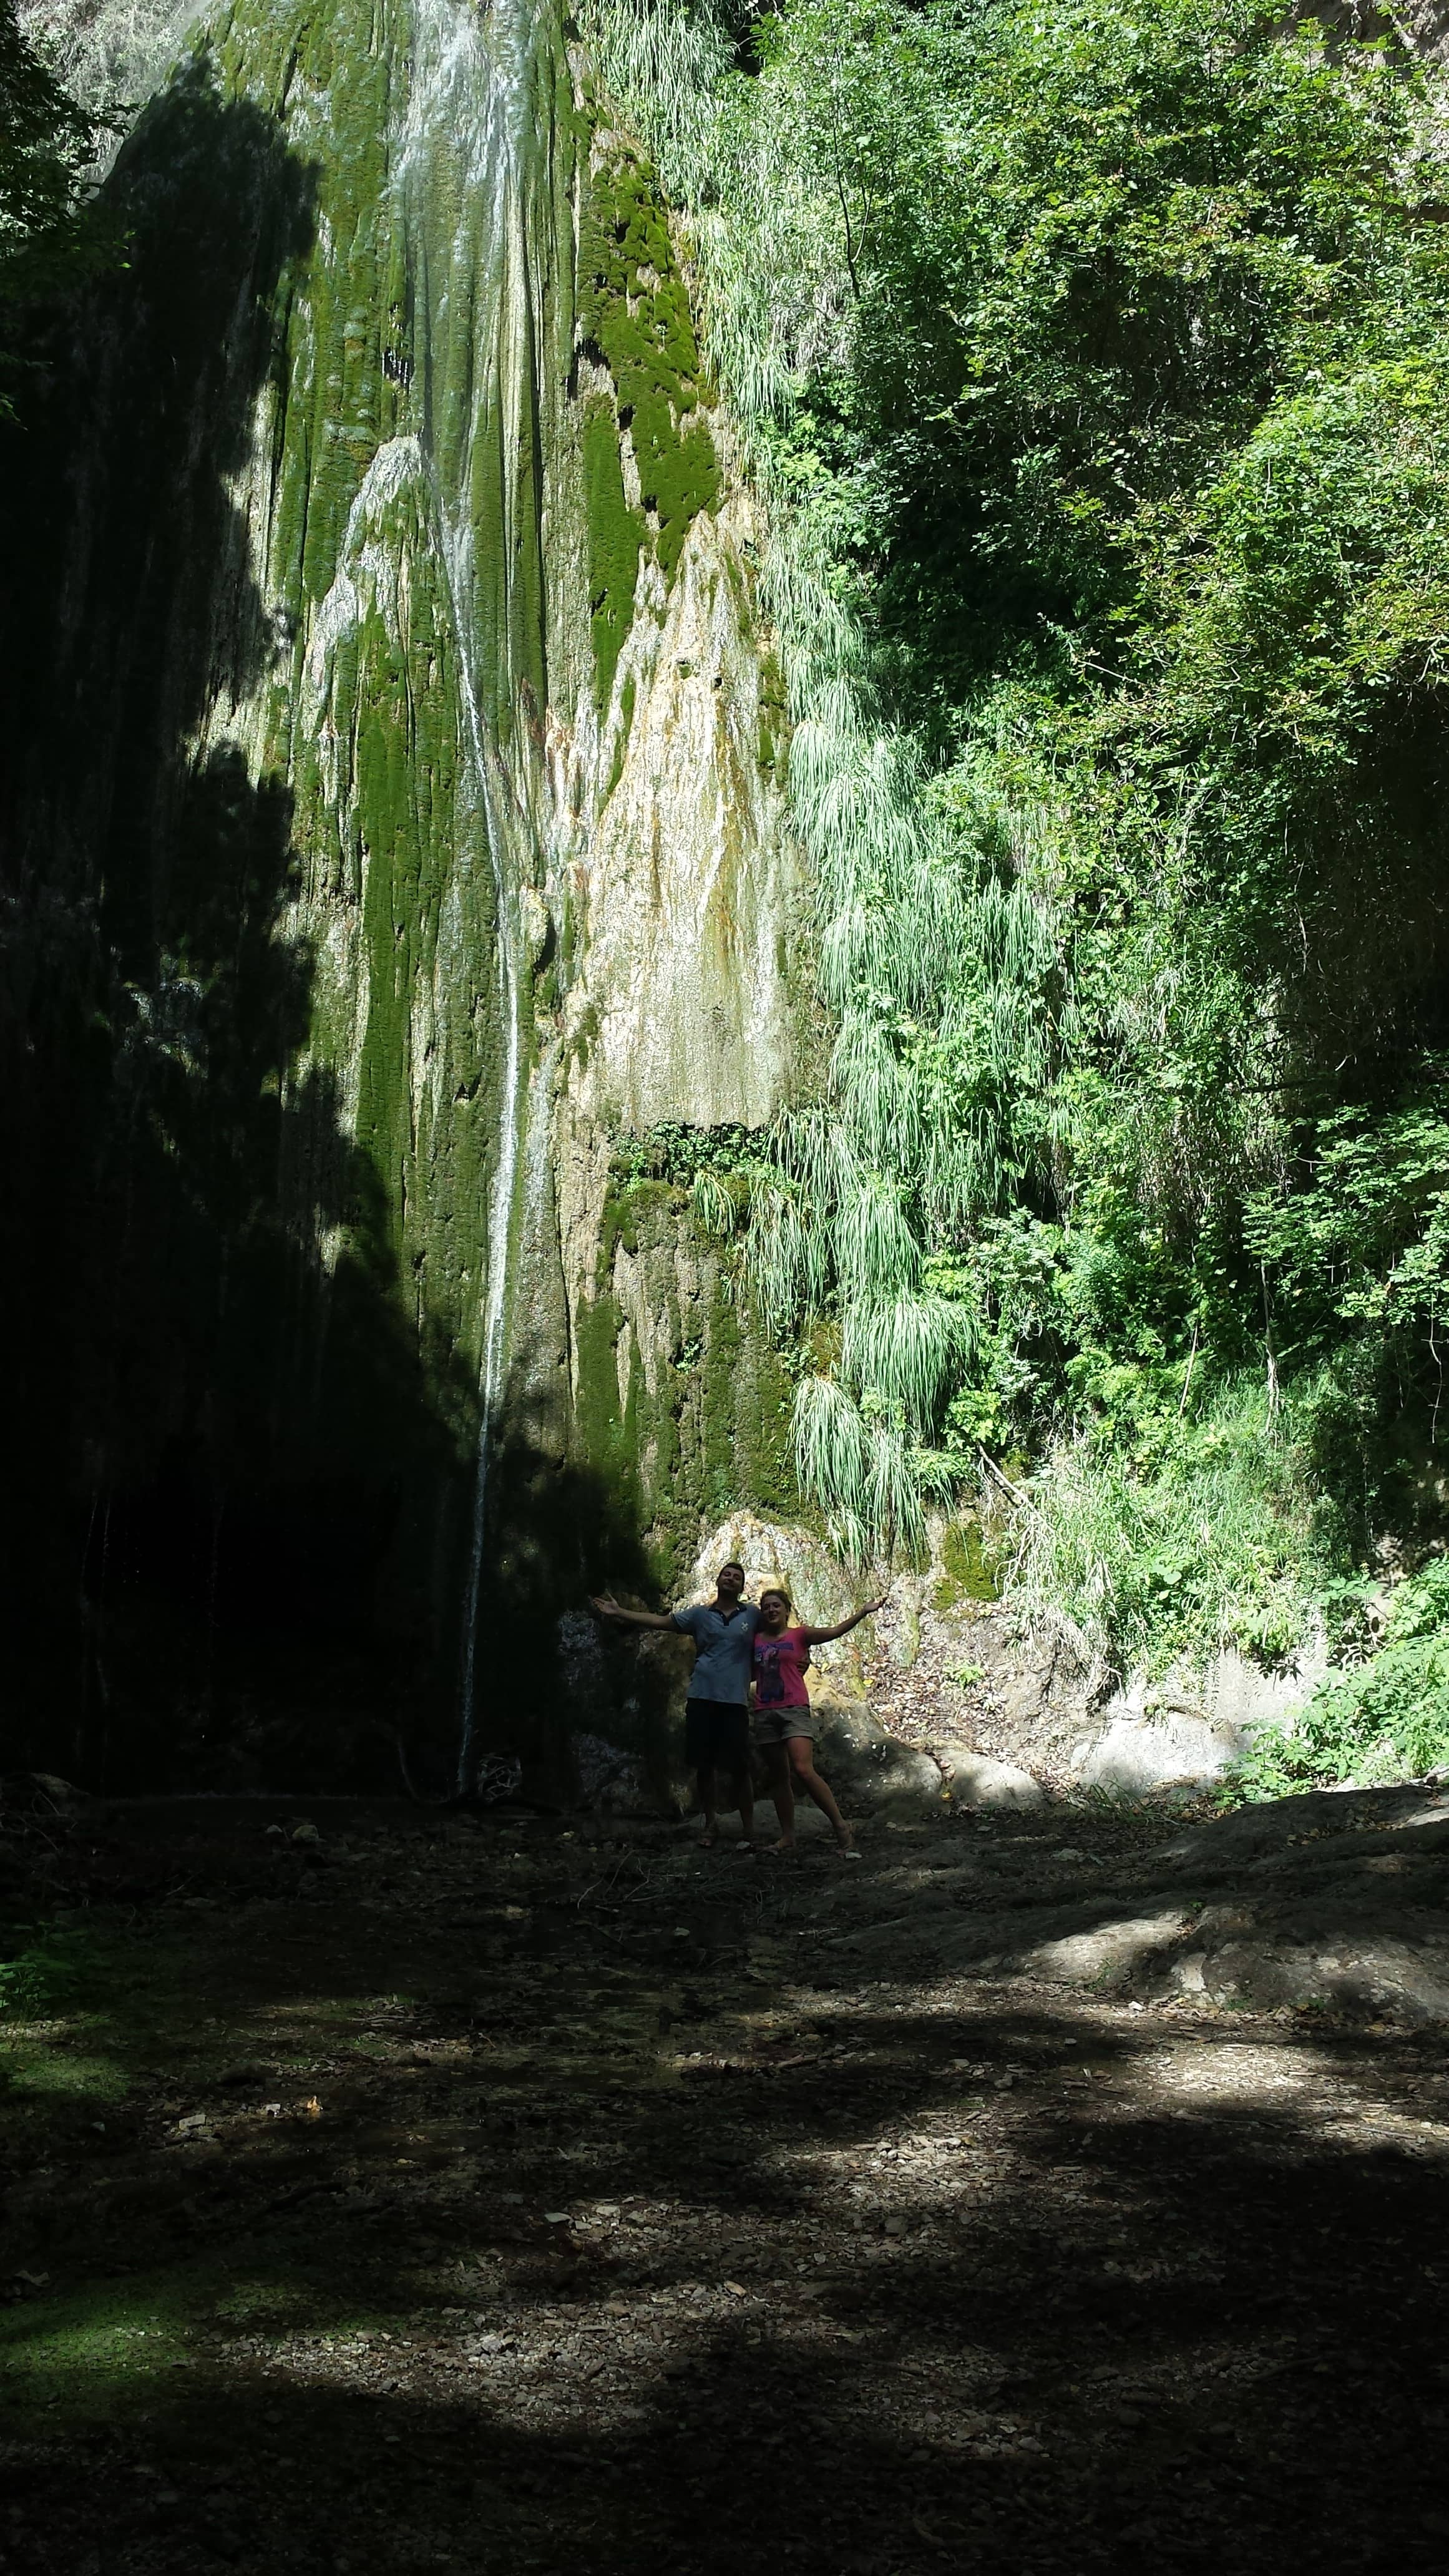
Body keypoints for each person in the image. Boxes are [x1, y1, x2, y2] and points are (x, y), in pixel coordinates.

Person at [590, 1562, 760, 1848]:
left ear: (742, 1587)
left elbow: (779, 1634)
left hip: (734, 1701)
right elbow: (661, 1621)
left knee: (740, 1767)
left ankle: (749, 1829)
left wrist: (799, 1657)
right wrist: (620, 1612)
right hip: (701, 1697)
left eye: (737, 1577)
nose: (730, 1579)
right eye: (726, 1574)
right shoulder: (699, 1615)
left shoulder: (752, 1615)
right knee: (703, 1765)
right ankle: (710, 1824)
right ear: (717, 1580)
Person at [752, 1585, 886, 1856]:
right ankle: (787, 1837)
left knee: (803, 1769)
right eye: (766, 1607)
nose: (771, 1610)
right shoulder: (755, 1640)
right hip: (765, 1711)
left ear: (787, 1610)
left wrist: (862, 1613)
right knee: (779, 1777)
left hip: (794, 1709)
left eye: (776, 1605)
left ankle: (841, 1827)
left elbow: (834, 1632)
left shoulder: (800, 1634)